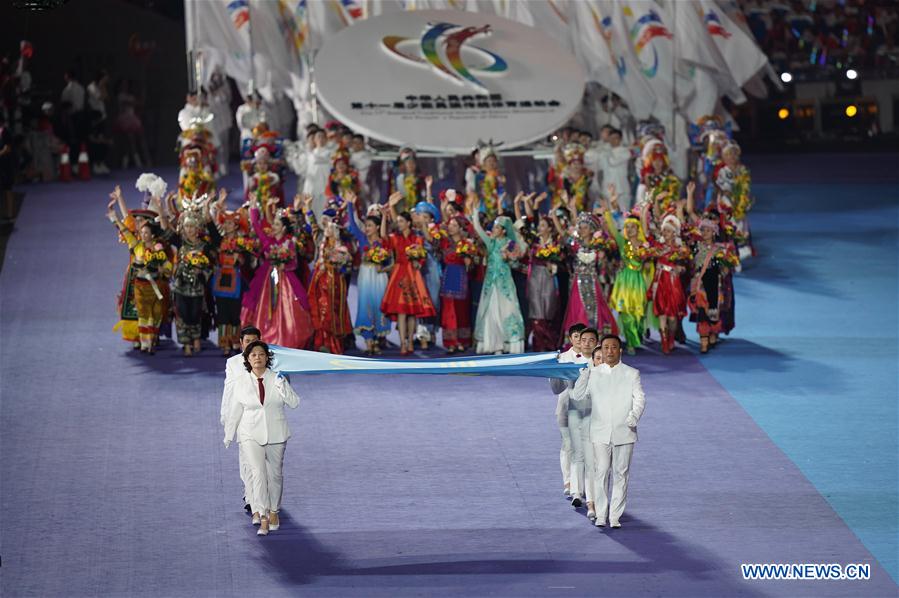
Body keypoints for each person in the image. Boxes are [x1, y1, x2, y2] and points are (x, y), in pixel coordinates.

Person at [223, 340, 301, 536]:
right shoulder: (241, 383)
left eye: (261, 354)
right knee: (257, 474)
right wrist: (229, 434)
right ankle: (263, 516)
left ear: (267, 357)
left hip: (276, 432)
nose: (257, 357)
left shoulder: (277, 378)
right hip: (250, 434)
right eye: (253, 355)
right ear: (248, 360)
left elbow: (294, 403)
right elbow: (235, 410)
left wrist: (283, 386)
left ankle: (274, 511)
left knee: (274, 475)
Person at [571, 334, 645, 528]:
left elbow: (640, 398)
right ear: (601, 351)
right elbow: (578, 397)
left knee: (621, 474)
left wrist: (633, 417)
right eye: (606, 348)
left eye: (613, 347)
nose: (609, 351)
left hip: (625, 431)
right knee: (601, 472)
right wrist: (584, 376)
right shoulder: (593, 374)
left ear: (619, 350)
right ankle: (601, 514)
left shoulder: (631, 373)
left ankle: (615, 516)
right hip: (600, 431)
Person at [468, 194, 525, 354]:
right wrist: (475, 214)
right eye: (494, 227)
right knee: (490, 311)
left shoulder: (510, 243)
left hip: (504, 283)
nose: (493, 230)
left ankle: (509, 344)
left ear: (504, 230)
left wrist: (509, 258)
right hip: (490, 283)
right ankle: (493, 344)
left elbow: (516, 262)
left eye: (497, 227)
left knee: (507, 310)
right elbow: (478, 230)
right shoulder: (491, 242)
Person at [221, 326, 262, 515]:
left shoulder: (269, 361)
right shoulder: (233, 363)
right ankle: (250, 495)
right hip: (243, 417)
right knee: (246, 459)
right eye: (247, 341)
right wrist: (226, 416)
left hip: (264, 419)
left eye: (254, 341)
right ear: (241, 343)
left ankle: (261, 494)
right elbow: (228, 391)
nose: (251, 345)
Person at [563, 328, 598, 519]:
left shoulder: (600, 363)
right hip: (575, 412)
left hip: (596, 417)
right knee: (577, 455)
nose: (586, 343)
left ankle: (592, 500)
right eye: (583, 339)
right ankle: (577, 492)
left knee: (592, 460)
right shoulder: (570, 363)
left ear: (596, 343)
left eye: (591, 340)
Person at [549, 323, 586, 498]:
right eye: (576, 337)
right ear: (570, 339)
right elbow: (555, 389)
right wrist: (557, 372)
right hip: (565, 408)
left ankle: (582, 483)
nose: (580, 341)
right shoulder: (561, 359)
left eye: (583, 337)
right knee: (568, 444)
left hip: (589, 410)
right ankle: (568, 481)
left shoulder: (596, 358)